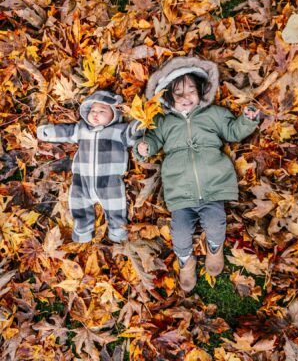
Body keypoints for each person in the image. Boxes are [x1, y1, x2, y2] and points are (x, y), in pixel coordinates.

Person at [133, 57, 260, 292]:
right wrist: (144, 148)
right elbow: (151, 140)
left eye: (191, 90)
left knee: (215, 222)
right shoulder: (163, 122)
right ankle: (186, 261)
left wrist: (247, 121)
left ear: (201, 91)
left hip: (213, 187)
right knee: (179, 233)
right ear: (168, 97)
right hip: (180, 192)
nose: (185, 97)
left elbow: (232, 131)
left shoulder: (213, 114)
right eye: (178, 93)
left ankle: (214, 248)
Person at [37, 90, 141, 243]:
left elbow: (134, 133)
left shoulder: (119, 130)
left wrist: (142, 124)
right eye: (93, 110)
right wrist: (46, 132)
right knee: (78, 204)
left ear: (114, 114)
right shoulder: (82, 129)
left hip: (109, 182)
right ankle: (82, 233)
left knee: (116, 209)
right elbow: (66, 132)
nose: (96, 114)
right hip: (82, 181)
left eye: (102, 110)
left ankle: (117, 233)